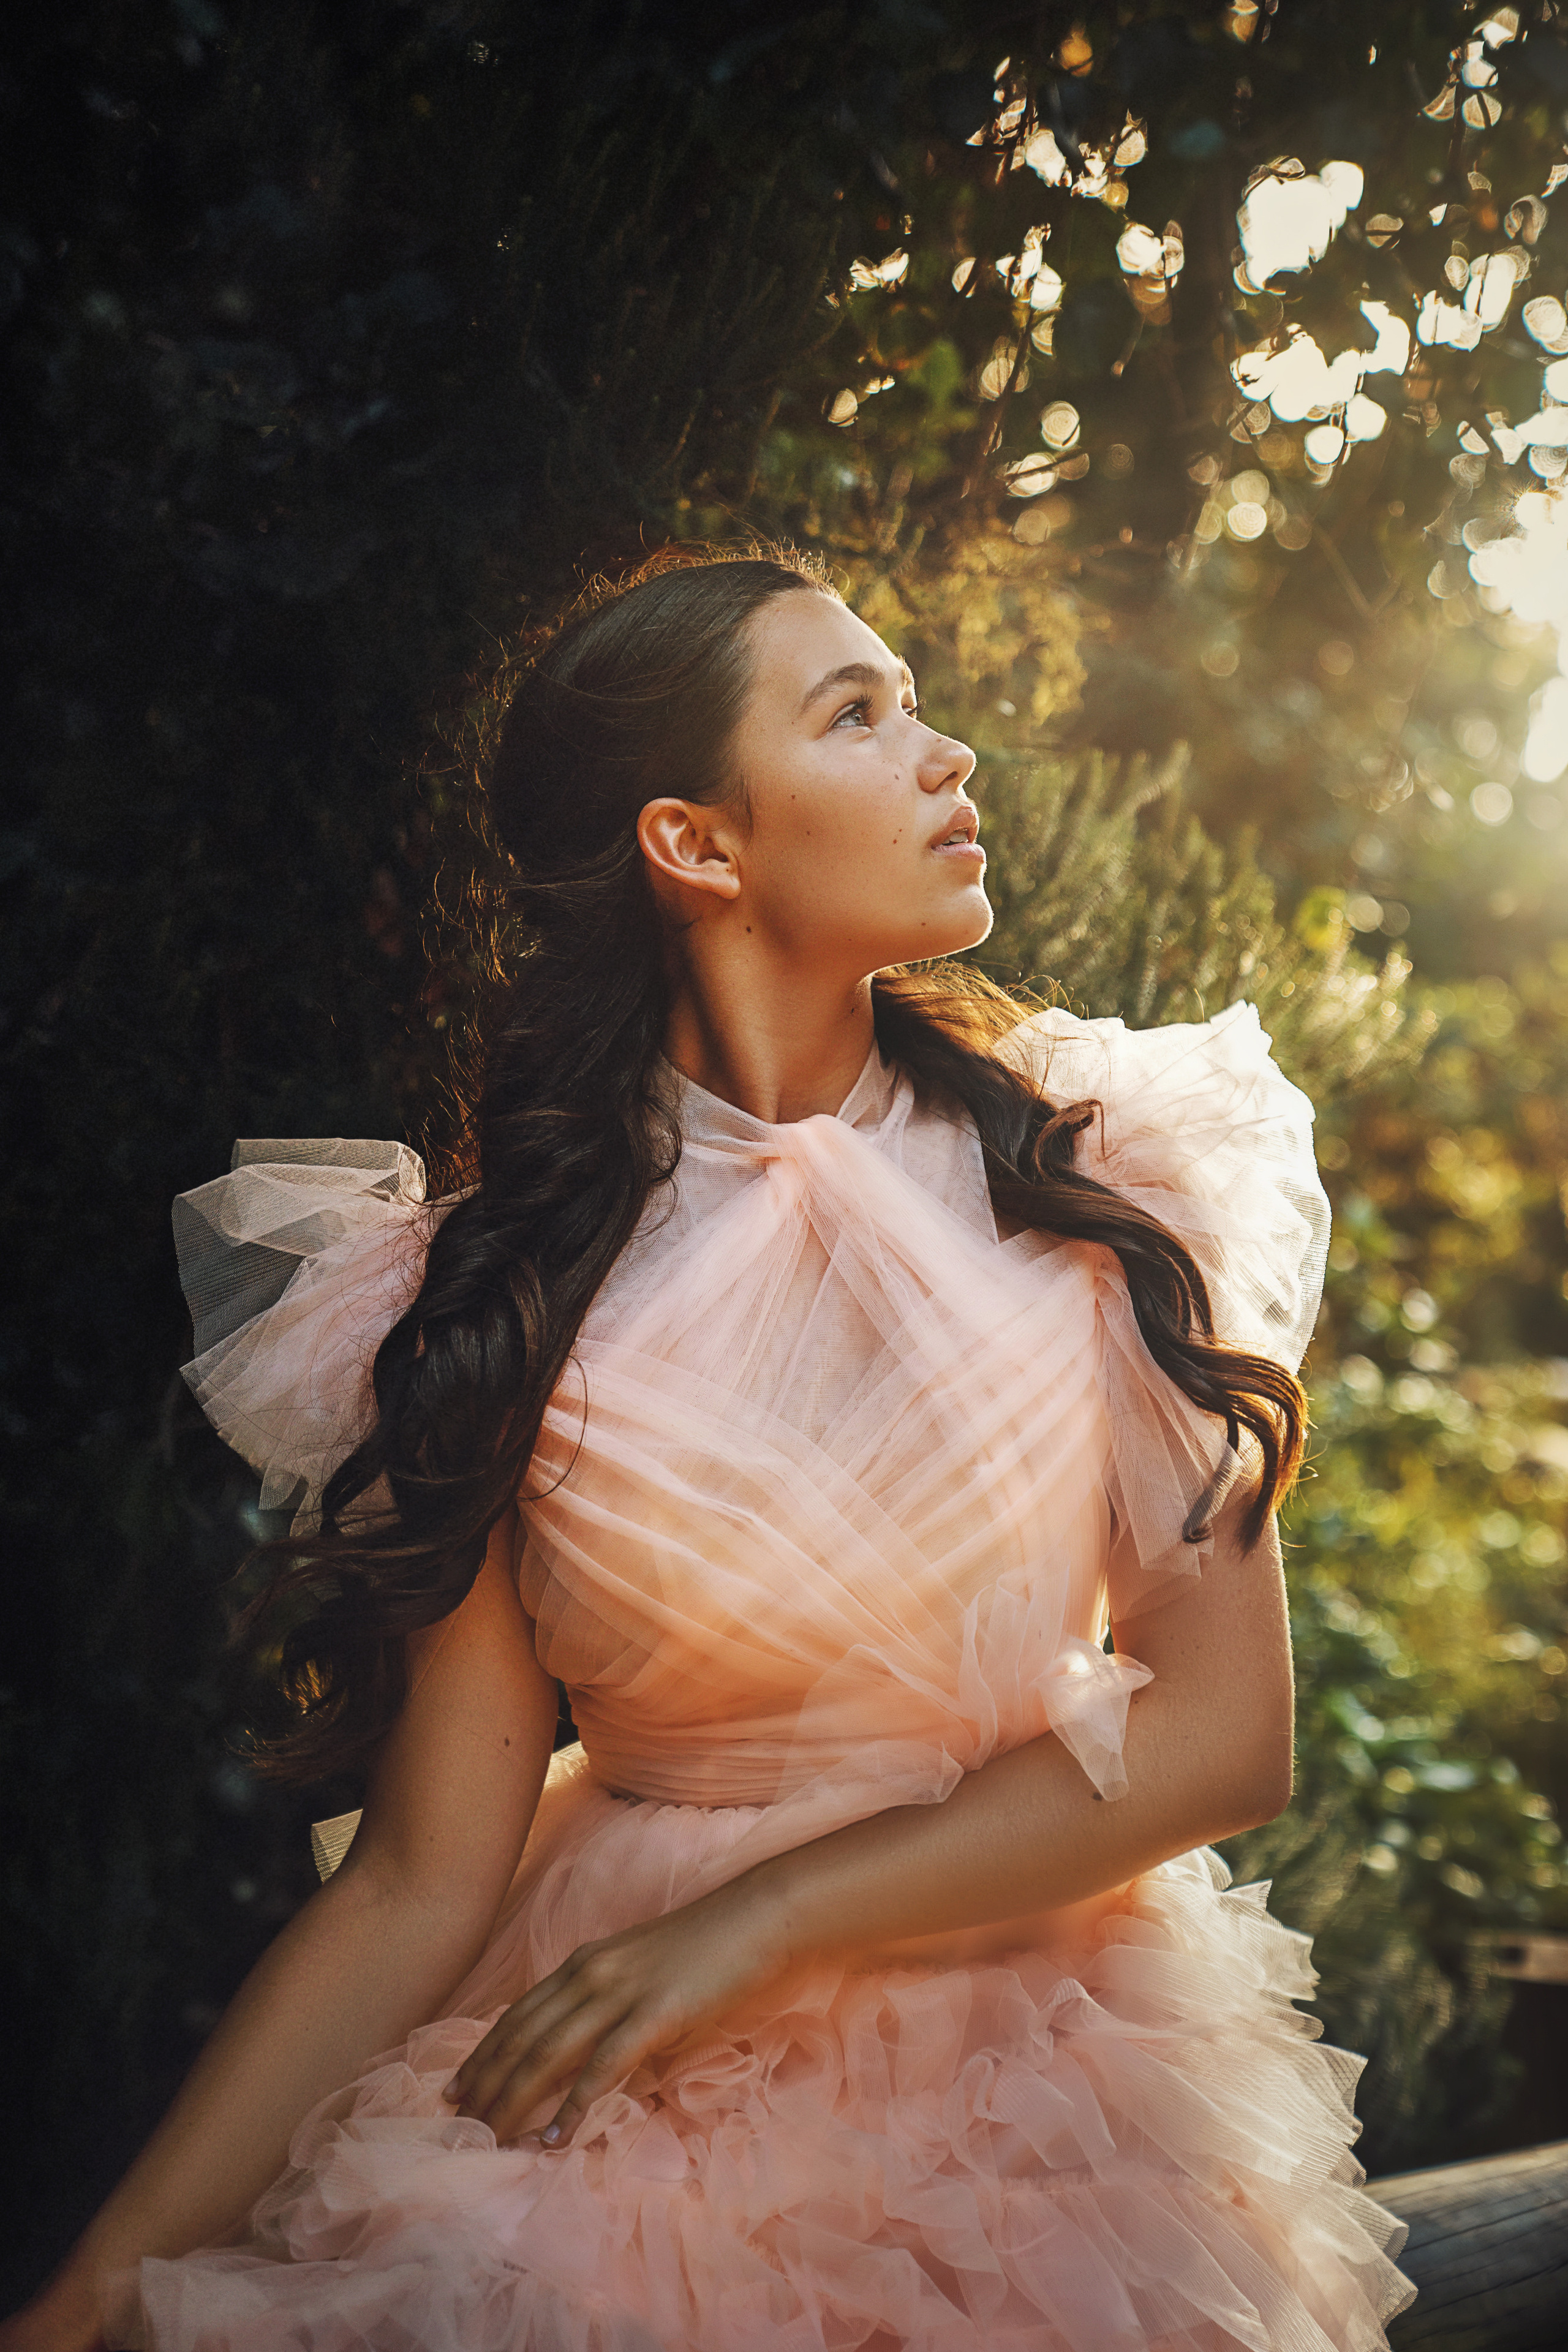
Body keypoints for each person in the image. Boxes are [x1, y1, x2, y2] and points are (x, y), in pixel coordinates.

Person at [7, 547, 1413, 2352]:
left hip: (1045, 2081)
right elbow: (423, 1882)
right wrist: (92, 2290)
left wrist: (763, 1921)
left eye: (916, 705)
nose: (946, 755)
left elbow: (1221, 1737)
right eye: (858, 716)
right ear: (696, 844)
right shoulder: (483, 1303)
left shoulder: (1101, 1178)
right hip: (624, 2102)